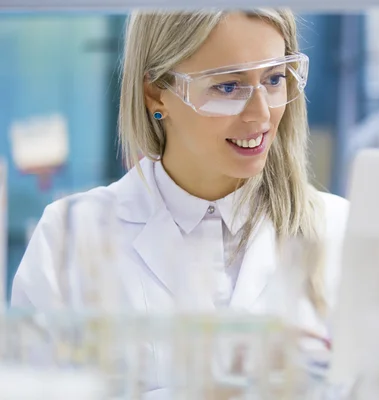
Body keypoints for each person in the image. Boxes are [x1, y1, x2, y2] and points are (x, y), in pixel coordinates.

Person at [11, 8, 349, 393]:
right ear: (157, 93)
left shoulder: (340, 229)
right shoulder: (69, 237)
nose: (260, 115)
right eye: (227, 87)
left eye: (274, 79)